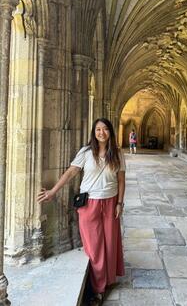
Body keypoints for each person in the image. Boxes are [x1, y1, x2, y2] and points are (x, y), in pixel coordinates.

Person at [38, 118, 125, 305]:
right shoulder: (86, 152)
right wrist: (53, 191)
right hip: (89, 204)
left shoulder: (117, 153)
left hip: (110, 202)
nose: (101, 132)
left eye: (105, 129)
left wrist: (120, 203)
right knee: (94, 248)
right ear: (94, 132)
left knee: (109, 244)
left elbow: (121, 181)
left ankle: (105, 283)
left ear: (111, 132)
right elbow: (71, 173)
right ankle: (99, 288)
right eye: (98, 129)